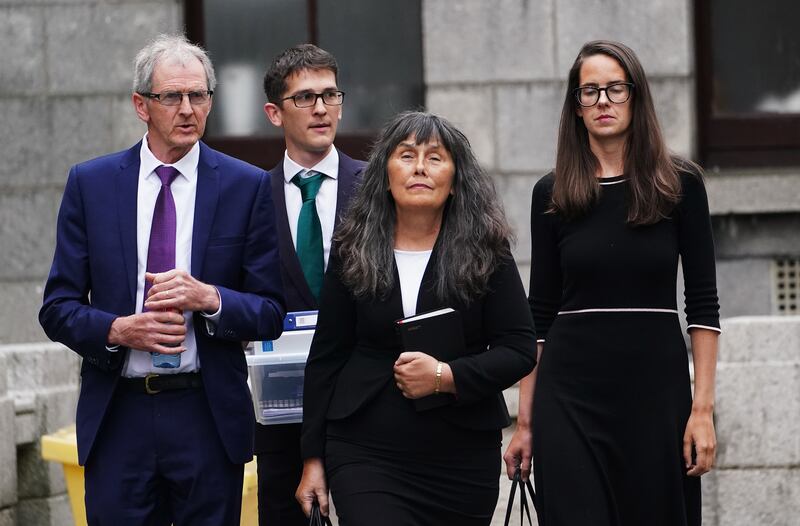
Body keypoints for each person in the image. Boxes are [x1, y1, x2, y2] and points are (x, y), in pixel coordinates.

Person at [39, 34, 285, 525]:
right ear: (141, 105)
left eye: (199, 95)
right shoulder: (92, 184)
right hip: (119, 414)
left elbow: (270, 311)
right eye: (172, 96)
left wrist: (210, 298)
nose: (188, 108)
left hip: (206, 414)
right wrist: (116, 330)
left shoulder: (246, 185)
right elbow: (57, 307)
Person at [503, 40, 720, 526]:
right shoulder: (552, 194)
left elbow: (703, 305)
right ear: (576, 108)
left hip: (656, 397)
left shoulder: (680, 185)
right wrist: (526, 421)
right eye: (590, 92)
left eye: (615, 89)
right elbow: (540, 315)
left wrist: (702, 409)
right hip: (569, 398)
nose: (603, 101)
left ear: (636, 97)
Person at [295, 111, 537, 525]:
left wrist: (446, 375)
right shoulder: (352, 247)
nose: (420, 168)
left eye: (435, 157)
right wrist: (312, 457)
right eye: (406, 155)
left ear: (457, 180)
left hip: (460, 458)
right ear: (384, 172)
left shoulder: (487, 251)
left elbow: (518, 348)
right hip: (364, 451)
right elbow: (327, 357)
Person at [257, 44, 365, 526]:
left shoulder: (379, 189)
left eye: (330, 95)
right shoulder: (250, 196)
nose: (321, 109)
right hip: (282, 410)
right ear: (274, 113)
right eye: (304, 98)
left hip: (368, 402)